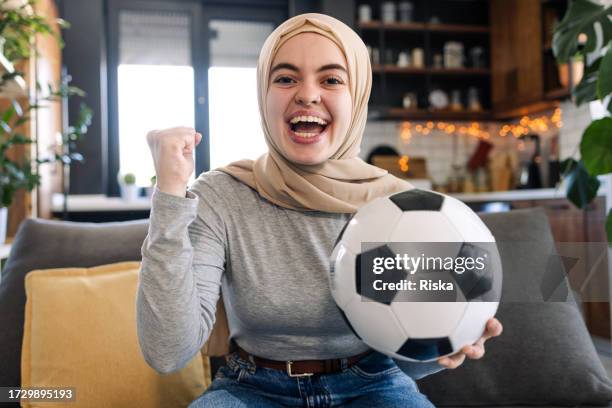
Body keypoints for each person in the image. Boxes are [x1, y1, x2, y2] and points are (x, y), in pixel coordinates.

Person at [139, 13, 503, 407]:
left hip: (372, 385)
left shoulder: (404, 206)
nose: (307, 94)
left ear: (358, 94)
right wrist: (171, 195)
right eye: (285, 78)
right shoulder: (220, 195)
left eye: (331, 79)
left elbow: (409, 360)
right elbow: (167, 352)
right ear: (263, 95)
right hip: (249, 389)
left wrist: (440, 345)